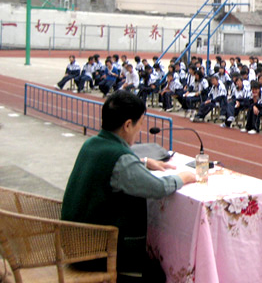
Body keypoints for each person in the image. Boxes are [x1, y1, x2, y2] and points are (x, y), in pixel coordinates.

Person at [61, 91, 196, 281]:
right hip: (98, 251)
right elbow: (157, 188)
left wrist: (144, 162)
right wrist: (183, 177)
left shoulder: (91, 144)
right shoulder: (121, 159)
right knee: (158, 271)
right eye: (140, 123)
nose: (140, 129)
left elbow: (116, 168)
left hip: (74, 242)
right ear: (127, 125)